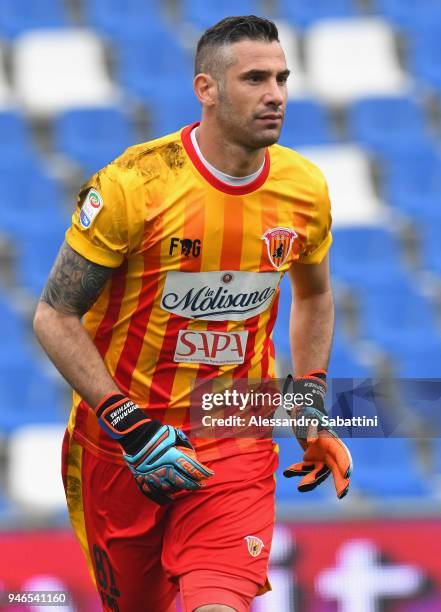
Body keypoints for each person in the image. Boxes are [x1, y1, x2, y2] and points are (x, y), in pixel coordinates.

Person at [33, 15, 352, 612]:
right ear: (207, 89)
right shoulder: (135, 185)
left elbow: (314, 294)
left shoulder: (305, 188)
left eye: (282, 78)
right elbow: (54, 315)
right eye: (255, 78)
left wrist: (308, 402)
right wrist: (129, 425)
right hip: (124, 443)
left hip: (237, 424)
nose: (275, 94)